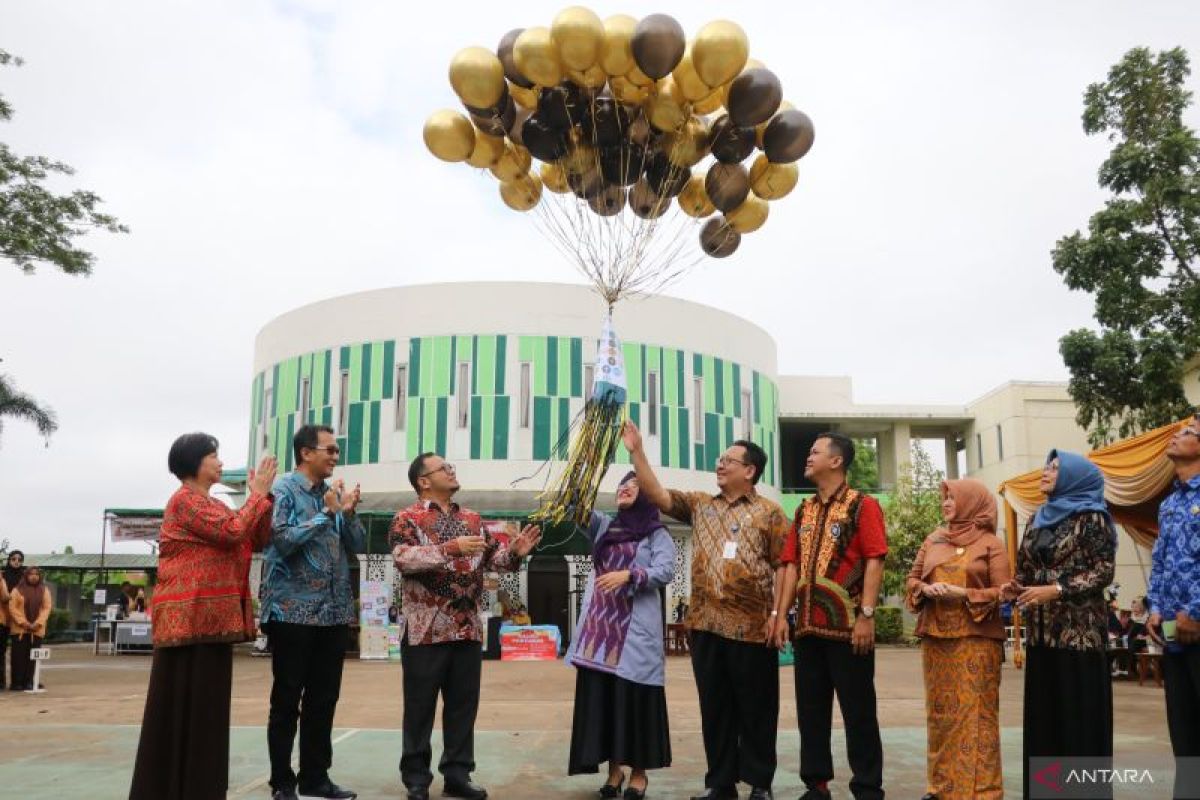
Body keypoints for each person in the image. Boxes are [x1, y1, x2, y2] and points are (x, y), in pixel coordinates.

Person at [623, 421, 788, 800]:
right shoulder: (700, 506)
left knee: (757, 709)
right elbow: (658, 495)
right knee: (715, 710)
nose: (720, 465)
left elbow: (784, 567)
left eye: (728, 460)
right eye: (719, 460)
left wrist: (778, 615)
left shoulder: (770, 513)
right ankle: (721, 784)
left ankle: (760, 784)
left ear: (750, 470)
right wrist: (637, 452)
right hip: (705, 626)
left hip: (752, 628)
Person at [128, 433, 277, 800]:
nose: (220, 462)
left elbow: (255, 538)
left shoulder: (213, 504)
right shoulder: (185, 501)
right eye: (213, 456)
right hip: (189, 620)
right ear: (194, 463)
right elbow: (233, 532)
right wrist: (256, 493)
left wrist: (264, 497)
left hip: (209, 622)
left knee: (205, 712)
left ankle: (197, 788)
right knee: (182, 707)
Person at [390, 452, 542, 800]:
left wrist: (516, 552)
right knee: (419, 709)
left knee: (462, 707)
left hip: (467, 629)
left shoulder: (474, 519)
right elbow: (403, 559)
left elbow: (496, 562)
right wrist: (449, 548)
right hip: (424, 630)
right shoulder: (406, 519)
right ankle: (416, 779)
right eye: (444, 467)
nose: (451, 470)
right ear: (423, 481)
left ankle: (458, 775)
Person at [772, 433, 887, 800]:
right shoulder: (803, 510)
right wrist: (779, 614)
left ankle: (868, 787)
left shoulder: (862, 505)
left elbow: (875, 558)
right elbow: (789, 565)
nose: (807, 457)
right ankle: (817, 785)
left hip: (849, 628)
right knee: (811, 712)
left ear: (836, 461)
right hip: (806, 626)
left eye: (814, 452)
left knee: (859, 712)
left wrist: (866, 615)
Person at [1001, 450, 1116, 799]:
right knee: (1045, 724)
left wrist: (1057, 590)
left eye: (1055, 467)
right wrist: (1016, 586)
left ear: (1074, 477)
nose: (1047, 471)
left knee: (1077, 722)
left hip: (1079, 637)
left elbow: (1103, 571)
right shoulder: (1037, 517)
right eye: (1046, 465)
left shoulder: (1092, 517)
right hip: (1041, 637)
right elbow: (1026, 567)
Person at [260, 424, 365, 800]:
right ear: (306, 453)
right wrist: (324, 514)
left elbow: (358, 546)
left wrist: (347, 513)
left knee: (324, 700)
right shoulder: (283, 489)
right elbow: (283, 539)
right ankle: (282, 782)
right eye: (330, 450)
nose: (335, 457)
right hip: (291, 611)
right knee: (286, 700)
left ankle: (316, 779)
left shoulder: (332, 494)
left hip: (333, 613)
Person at [566, 472, 677, 799]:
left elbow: (666, 570)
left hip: (633, 635)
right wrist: (583, 466)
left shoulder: (657, 533)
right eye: (621, 485)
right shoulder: (604, 526)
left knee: (634, 702)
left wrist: (630, 574)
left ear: (647, 496)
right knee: (606, 702)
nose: (625, 488)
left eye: (635, 485)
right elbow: (575, 505)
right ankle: (614, 772)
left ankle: (639, 774)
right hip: (599, 635)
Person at [905, 479, 1010, 800]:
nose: (946, 503)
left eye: (953, 498)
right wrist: (924, 589)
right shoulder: (934, 539)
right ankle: (941, 788)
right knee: (941, 714)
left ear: (972, 502)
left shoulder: (991, 543)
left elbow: (1005, 592)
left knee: (976, 714)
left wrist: (962, 593)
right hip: (937, 639)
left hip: (977, 640)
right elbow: (912, 578)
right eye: (945, 498)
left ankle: (982, 791)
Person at [1147, 414, 1200, 799]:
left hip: (1196, 622)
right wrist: (1155, 608)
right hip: (1172, 629)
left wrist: (1196, 612)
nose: (1177, 436)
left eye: (1188, 432)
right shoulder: (1168, 504)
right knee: (1183, 726)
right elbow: (1162, 560)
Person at [8, 566, 52, 691]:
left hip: (37, 630)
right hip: (20, 630)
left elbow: (46, 608)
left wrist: (38, 623)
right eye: (31, 574)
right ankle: (17, 683)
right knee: (18, 657)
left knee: (33, 657)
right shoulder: (17, 590)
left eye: (36, 574)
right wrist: (24, 623)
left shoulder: (44, 590)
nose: (34, 576)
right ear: (26, 576)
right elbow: (12, 607)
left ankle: (30, 681)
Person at [0, 549, 21, 690]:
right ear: (9, 560)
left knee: (19, 652)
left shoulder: (24, 578)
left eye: (19, 559)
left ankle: (18, 682)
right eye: (13, 559)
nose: (16, 562)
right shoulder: (2, 576)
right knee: (1, 651)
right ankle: (1, 682)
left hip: (18, 620)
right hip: (2, 618)